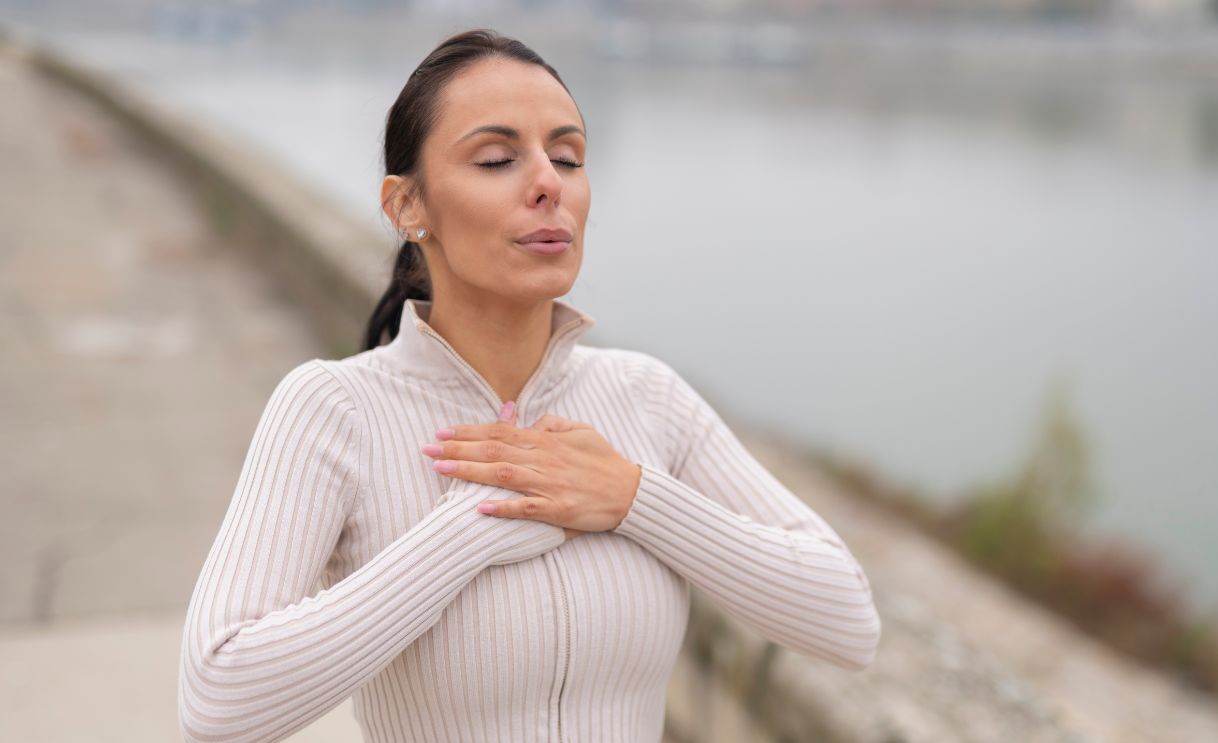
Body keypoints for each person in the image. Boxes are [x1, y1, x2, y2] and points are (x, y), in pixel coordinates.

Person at [178, 27, 880, 743]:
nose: (548, 182)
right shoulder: (336, 410)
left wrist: (634, 498)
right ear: (406, 207)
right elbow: (218, 699)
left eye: (568, 156)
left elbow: (848, 620)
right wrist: (464, 530)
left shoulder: (646, 397)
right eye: (495, 158)